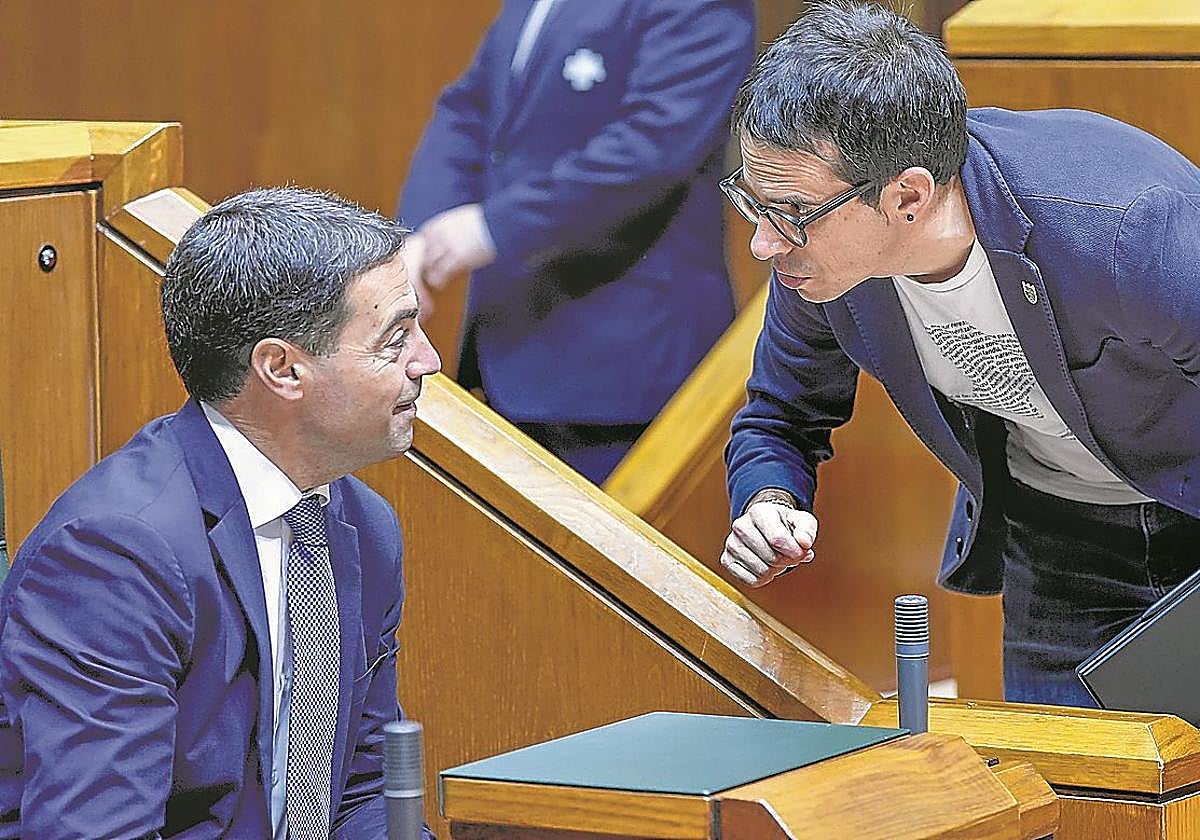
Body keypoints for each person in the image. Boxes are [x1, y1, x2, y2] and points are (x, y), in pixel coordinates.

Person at [718, 0, 1200, 706]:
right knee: (1072, 796)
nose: (764, 242)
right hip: (1060, 540)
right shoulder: (823, 269)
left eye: (787, 213)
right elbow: (780, 415)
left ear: (907, 194)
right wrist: (768, 497)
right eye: (753, 204)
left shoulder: (1124, 228)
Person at [0, 187, 441, 838]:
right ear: (282, 369)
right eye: (395, 338)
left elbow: (360, 795)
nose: (427, 359)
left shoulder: (359, 525)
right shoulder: (117, 552)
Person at [397, 0, 756, 482]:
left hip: (622, 362)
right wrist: (421, 231)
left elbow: (651, 148)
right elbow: (470, 106)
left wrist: (496, 227)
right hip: (515, 343)